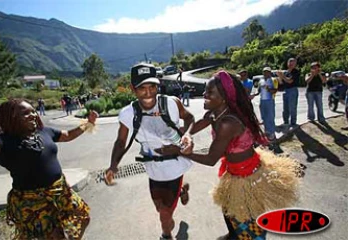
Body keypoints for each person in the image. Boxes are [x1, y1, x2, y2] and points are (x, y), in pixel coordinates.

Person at [158, 70, 301, 239]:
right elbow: (193, 127)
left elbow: (211, 159)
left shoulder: (228, 123)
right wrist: (177, 134)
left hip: (247, 175)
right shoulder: (216, 113)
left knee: (247, 223)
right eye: (206, 90)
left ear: (223, 98)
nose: (204, 94)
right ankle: (232, 234)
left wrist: (179, 152)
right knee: (228, 207)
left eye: (209, 92)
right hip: (234, 172)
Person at [104, 63, 194, 240]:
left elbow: (189, 118)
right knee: (160, 208)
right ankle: (182, 192)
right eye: (142, 88)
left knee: (165, 214)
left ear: (157, 85)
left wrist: (188, 135)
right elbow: (121, 141)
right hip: (153, 169)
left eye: (152, 86)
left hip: (175, 166)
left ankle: (166, 235)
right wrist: (113, 166)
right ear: (133, 89)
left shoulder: (171, 103)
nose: (148, 92)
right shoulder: (128, 114)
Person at [0, 99, 98, 239]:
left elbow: (68, 135)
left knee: (83, 216)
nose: (33, 114)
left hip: (61, 191)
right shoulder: (3, 141)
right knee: (53, 236)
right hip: (32, 202)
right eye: (25, 113)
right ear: (11, 117)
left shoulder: (44, 131)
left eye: (33, 111)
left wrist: (88, 123)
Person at [277, 58, 300, 128]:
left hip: (292, 90)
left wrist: (282, 76)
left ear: (295, 64)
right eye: (290, 62)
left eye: (293, 63)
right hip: (285, 90)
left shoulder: (295, 72)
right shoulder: (285, 72)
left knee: (292, 107)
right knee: (285, 107)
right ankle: (286, 122)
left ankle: (293, 123)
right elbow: (281, 83)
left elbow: (290, 81)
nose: (291, 64)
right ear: (287, 63)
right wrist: (279, 77)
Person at [258, 67, 278, 141]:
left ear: (270, 72)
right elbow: (259, 90)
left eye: (267, 72)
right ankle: (267, 132)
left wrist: (269, 89)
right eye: (264, 72)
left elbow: (275, 90)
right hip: (262, 100)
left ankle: (272, 133)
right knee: (264, 117)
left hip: (270, 100)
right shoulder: (261, 80)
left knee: (270, 117)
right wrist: (253, 95)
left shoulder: (274, 80)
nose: (266, 73)